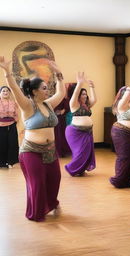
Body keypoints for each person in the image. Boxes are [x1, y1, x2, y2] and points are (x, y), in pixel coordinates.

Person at [0, 56, 65, 221]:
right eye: (44, 88)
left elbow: (61, 92)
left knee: (55, 179)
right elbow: (15, 89)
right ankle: (36, 212)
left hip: (50, 150)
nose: (47, 90)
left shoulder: (48, 104)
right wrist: (7, 72)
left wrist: (59, 74)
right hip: (31, 151)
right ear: (35, 91)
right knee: (38, 183)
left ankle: (52, 203)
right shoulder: (27, 106)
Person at [110, 74, 130, 188]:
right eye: (128, 93)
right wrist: (128, 89)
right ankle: (119, 179)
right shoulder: (120, 105)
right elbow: (127, 96)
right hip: (122, 133)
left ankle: (127, 179)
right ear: (123, 95)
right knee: (125, 156)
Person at [65, 72, 97, 176]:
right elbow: (74, 96)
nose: (85, 95)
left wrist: (92, 87)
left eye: (85, 94)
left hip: (87, 132)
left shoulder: (86, 105)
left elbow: (94, 100)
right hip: (76, 132)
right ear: (78, 95)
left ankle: (81, 169)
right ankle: (72, 168)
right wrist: (79, 84)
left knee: (86, 152)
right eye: (83, 94)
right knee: (80, 152)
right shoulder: (74, 104)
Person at [0, 86, 19, 168]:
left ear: (9, 93)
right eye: (3, 91)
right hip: (0, 125)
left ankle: (11, 162)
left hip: (12, 125)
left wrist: (15, 121)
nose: (5, 92)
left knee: (12, 143)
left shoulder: (13, 103)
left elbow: (17, 114)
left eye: (7, 91)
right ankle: (2, 163)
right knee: (2, 143)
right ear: (0, 93)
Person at [54, 91, 71, 157]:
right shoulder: (54, 98)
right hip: (55, 119)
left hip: (61, 119)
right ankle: (57, 151)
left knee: (62, 134)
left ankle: (63, 151)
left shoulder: (65, 99)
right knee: (57, 135)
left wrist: (62, 111)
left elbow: (66, 108)